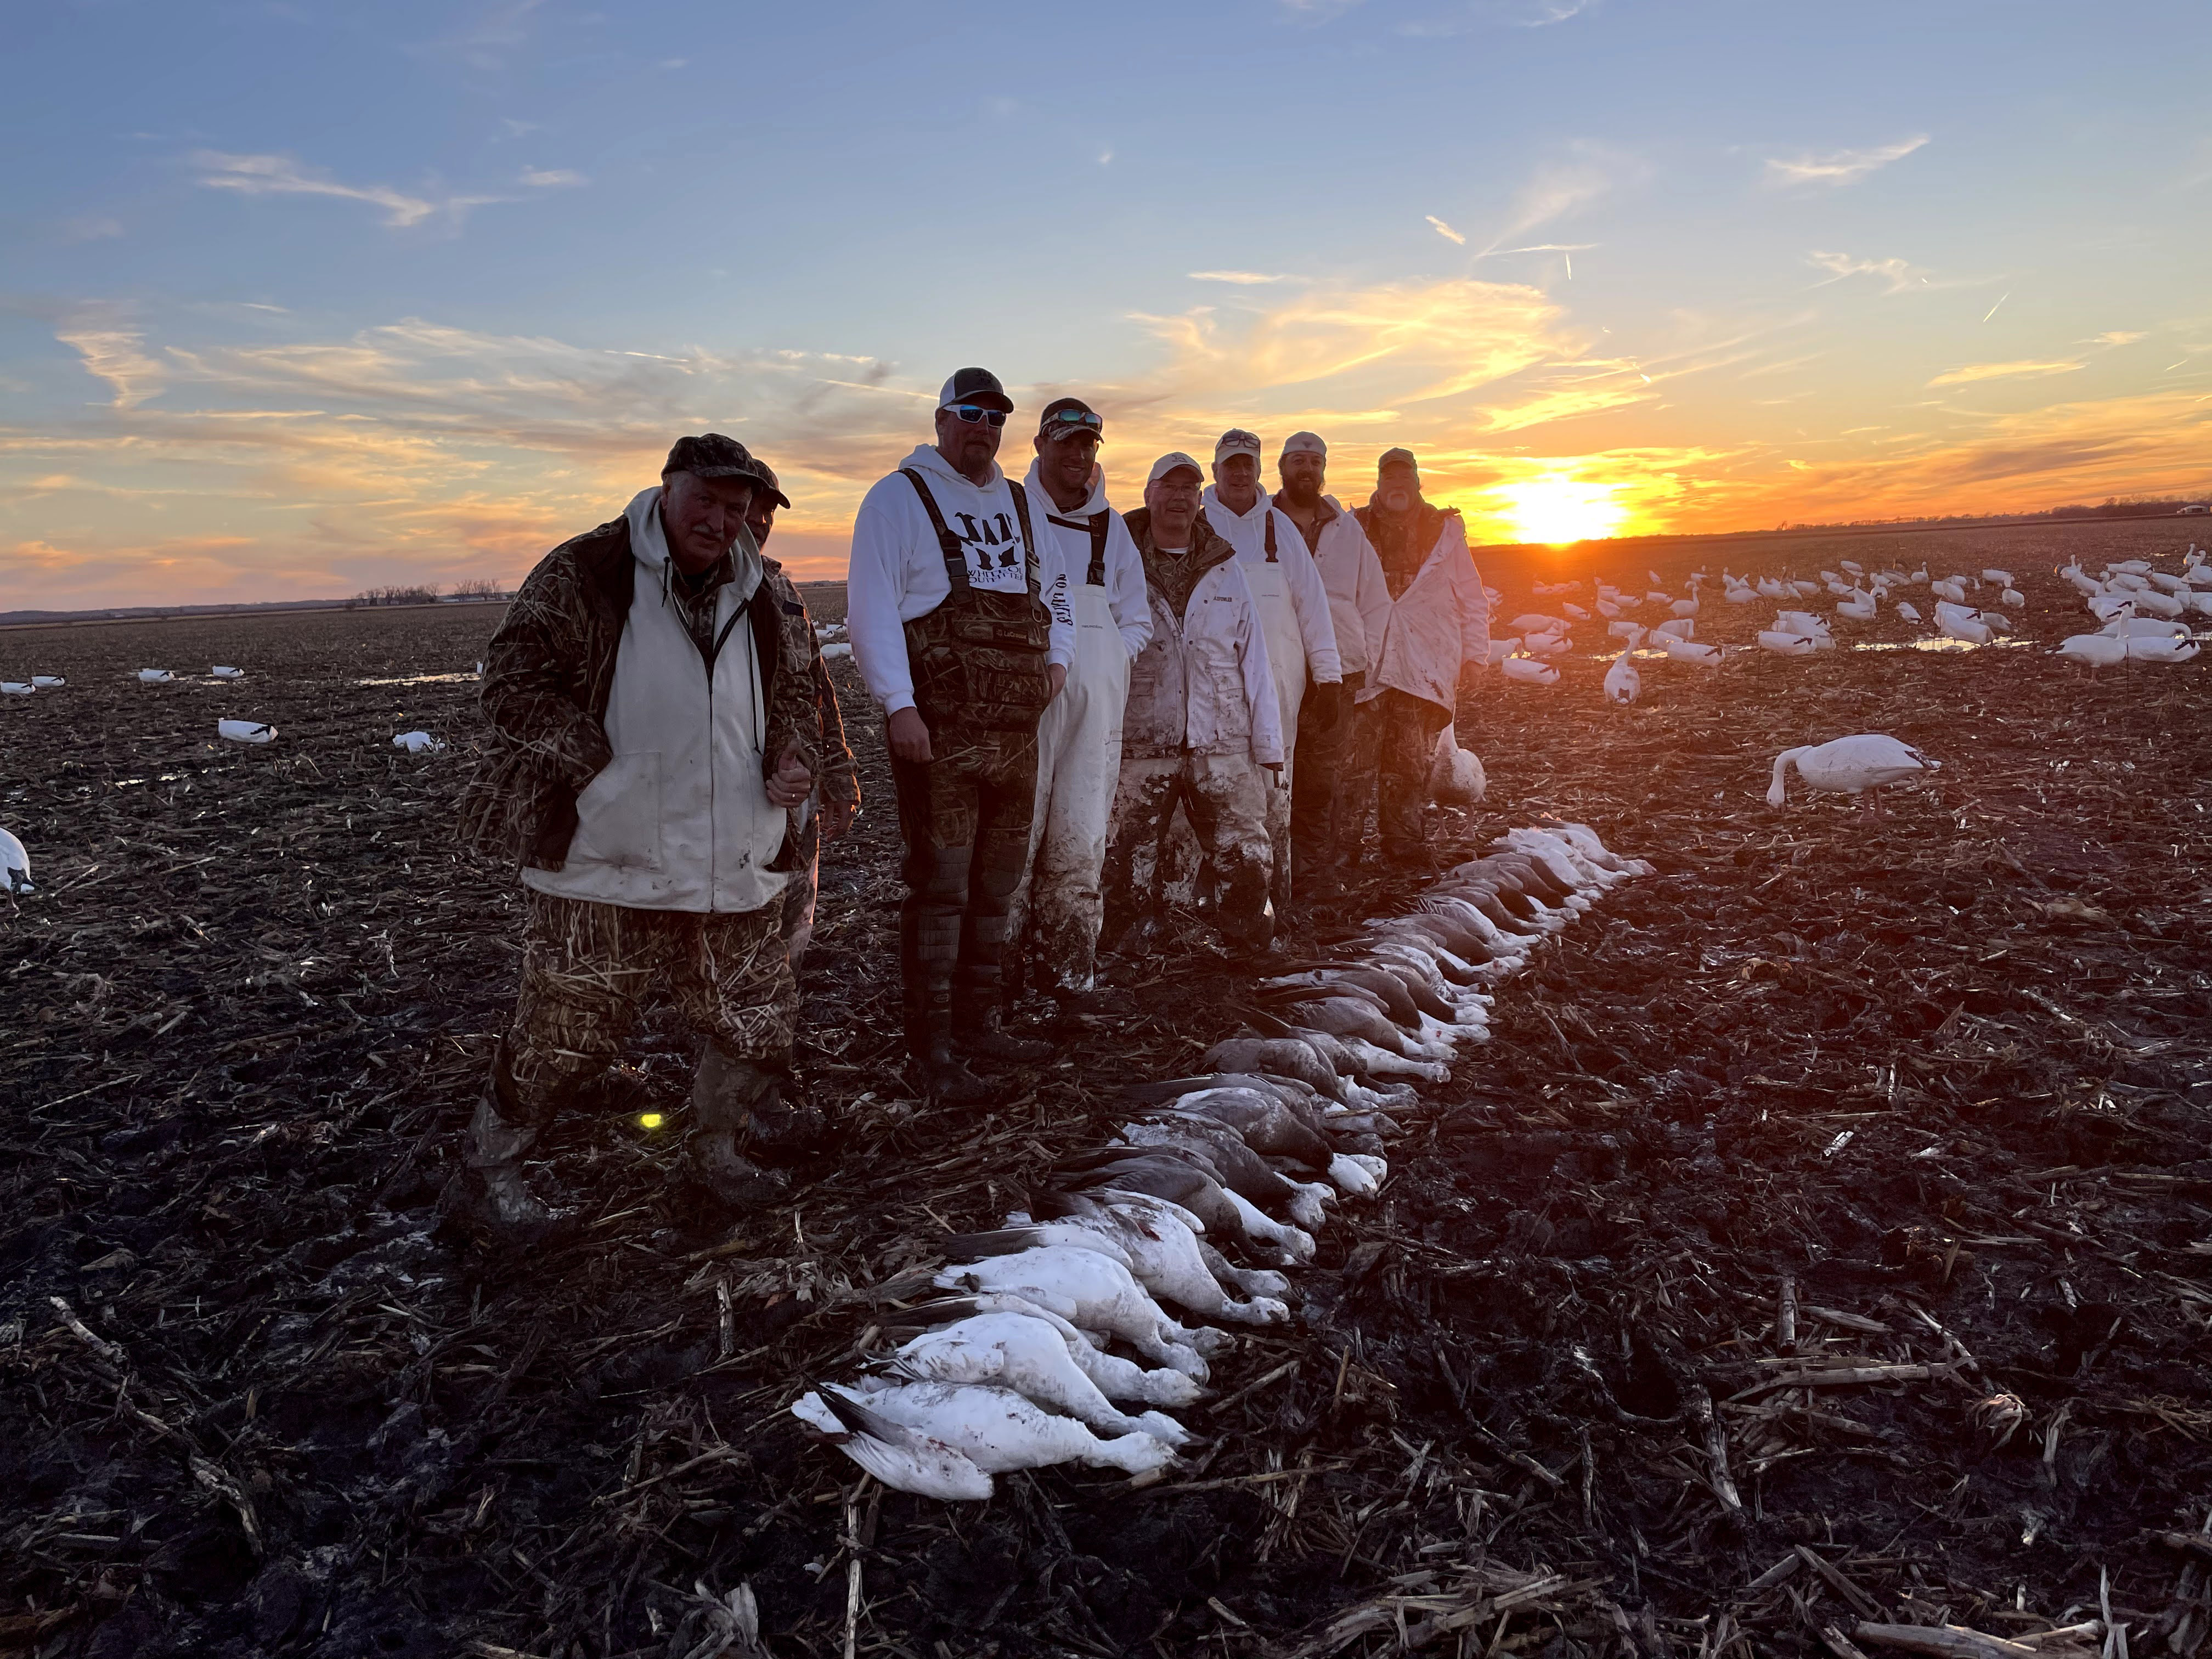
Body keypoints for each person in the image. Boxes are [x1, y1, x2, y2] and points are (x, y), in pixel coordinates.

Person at [454, 433, 824, 1239]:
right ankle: (488, 1176)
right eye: (706, 501)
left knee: (754, 1012)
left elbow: (796, 692)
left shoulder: (765, 588)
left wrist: (791, 755)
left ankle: (717, 1151)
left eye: (736, 509)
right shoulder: (588, 570)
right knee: (567, 1030)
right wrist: (599, 769)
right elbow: (510, 682)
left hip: (733, 851)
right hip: (606, 856)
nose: (720, 522)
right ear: (667, 490)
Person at [847, 369, 1076, 1102]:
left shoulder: (1020, 502)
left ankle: (982, 1026)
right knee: (940, 887)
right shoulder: (898, 497)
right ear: (942, 418)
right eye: (971, 414)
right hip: (939, 736)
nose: (984, 428)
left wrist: (1060, 659)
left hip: (1016, 736)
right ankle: (933, 1049)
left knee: (996, 886)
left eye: (996, 418)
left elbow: (1057, 588)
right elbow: (871, 608)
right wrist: (898, 704)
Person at [1005, 397, 1152, 1019]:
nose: (1078, 455)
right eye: (1065, 443)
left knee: (1082, 839)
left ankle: (1069, 975)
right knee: (1014, 840)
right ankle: (1001, 980)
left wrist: (1111, 654)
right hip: (1027, 704)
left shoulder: (1112, 528)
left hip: (1098, 711)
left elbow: (1137, 617)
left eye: (1088, 446)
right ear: (1040, 445)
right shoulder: (1009, 510)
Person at [1102, 453, 1283, 958]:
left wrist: (1268, 743)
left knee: (1244, 852)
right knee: (1127, 854)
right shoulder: (1120, 561)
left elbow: (1254, 656)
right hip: (1142, 742)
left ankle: (1247, 949)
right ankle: (1124, 955)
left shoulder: (1225, 566)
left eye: (1190, 488)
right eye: (1169, 486)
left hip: (1223, 741)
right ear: (1148, 494)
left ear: (1200, 499)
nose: (1180, 497)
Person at [1199, 430, 1345, 910]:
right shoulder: (1198, 526)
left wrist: (1328, 677)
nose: (1240, 474)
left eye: (1248, 465)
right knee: (1214, 792)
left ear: (1260, 470)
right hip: (1212, 686)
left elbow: (1312, 606)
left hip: (1281, 686)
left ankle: (1275, 899)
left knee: (1275, 793)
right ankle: (1210, 903)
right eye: (1231, 465)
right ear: (1216, 471)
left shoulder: (1279, 530)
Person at [742, 460, 861, 968]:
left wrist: (838, 774)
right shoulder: (693, 596)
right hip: (736, 797)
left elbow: (818, 687)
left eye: (770, 510)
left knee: (794, 924)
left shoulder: (784, 593)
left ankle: (784, 994)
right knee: (738, 934)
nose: (761, 520)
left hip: (797, 794)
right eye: (751, 507)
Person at [1353, 448, 1492, 868]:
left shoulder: (1443, 532)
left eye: (1405, 478)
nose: (1397, 486)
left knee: (1409, 762)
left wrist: (1476, 655)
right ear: (1379, 483)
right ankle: (1343, 850)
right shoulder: (1353, 527)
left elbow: (1471, 596)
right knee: (1353, 764)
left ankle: (1404, 846)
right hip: (1366, 662)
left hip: (1424, 662)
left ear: (1417, 483)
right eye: (1390, 479)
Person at [1271, 431, 1392, 889]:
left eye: (1315, 462)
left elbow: (1374, 599)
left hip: (1339, 670)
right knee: (1273, 770)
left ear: (1324, 470)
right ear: (1282, 467)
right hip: (1277, 667)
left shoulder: (1347, 529)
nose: (1307, 470)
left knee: (1323, 777)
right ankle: (1273, 871)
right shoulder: (1262, 522)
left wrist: (1368, 661)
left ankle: (1312, 874)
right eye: (1298, 461)